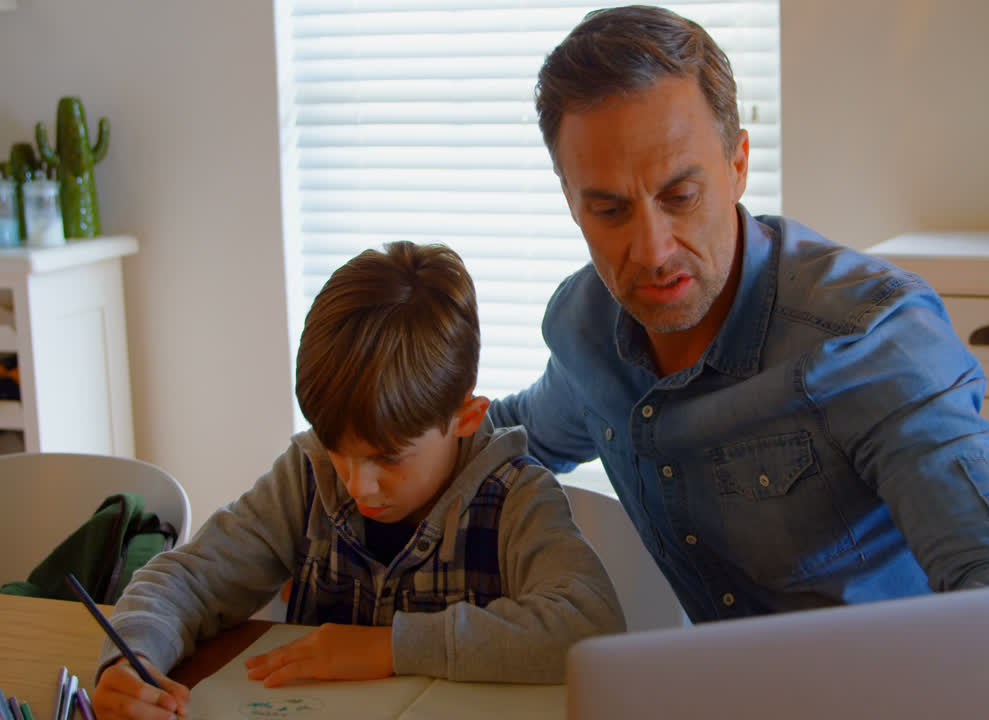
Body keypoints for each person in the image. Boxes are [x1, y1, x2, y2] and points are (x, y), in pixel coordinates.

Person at [488, 6, 989, 623]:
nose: (653, 251)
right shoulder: (587, 328)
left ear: (737, 165)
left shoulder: (866, 333)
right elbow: (509, 437)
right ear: (571, 201)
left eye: (680, 197)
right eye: (609, 210)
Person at [94, 242, 625, 720]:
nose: (356, 486)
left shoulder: (516, 497)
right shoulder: (306, 475)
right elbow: (189, 578)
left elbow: (588, 625)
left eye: (388, 459)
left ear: (465, 418)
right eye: (337, 451)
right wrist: (130, 656)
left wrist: (389, 647)